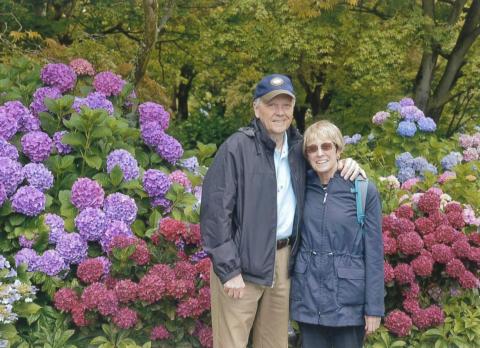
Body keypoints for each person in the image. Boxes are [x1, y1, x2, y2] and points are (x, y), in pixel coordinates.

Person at [200, 74, 363, 348]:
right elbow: (215, 215)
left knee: (275, 344)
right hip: (242, 264)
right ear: (256, 108)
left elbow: (325, 164)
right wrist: (229, 270)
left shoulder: (299, 151)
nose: (279, 112)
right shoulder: (236, 148)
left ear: (293, 109)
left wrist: (350, 164)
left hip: (283, 264)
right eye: (271, 104)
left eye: (285, 105)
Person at [290, 120, 384, 348]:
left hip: (347, 304)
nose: (320, 153)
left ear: (339, 150)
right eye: (312, 149)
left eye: (326, 146)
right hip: (309, 302)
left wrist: (374, 308)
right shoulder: (300, 185)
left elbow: (374, 254)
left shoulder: (362, 189)